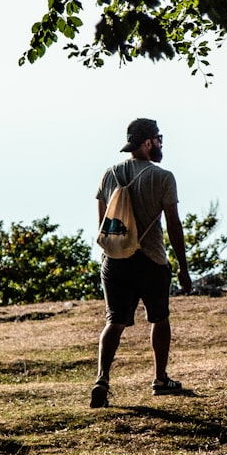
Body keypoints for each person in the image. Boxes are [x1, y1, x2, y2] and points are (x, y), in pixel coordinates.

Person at [90, 118, 193, 408]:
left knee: (114, 322)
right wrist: (183, 269)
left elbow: (102, 223)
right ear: (148, 143)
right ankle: (160, 379)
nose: (161, 144)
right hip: (150, 259)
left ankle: (102, 379)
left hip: (114, 260)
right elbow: (173, 224)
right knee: (159, 318)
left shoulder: (108, 175)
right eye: (158, 139)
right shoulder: (162, 177)